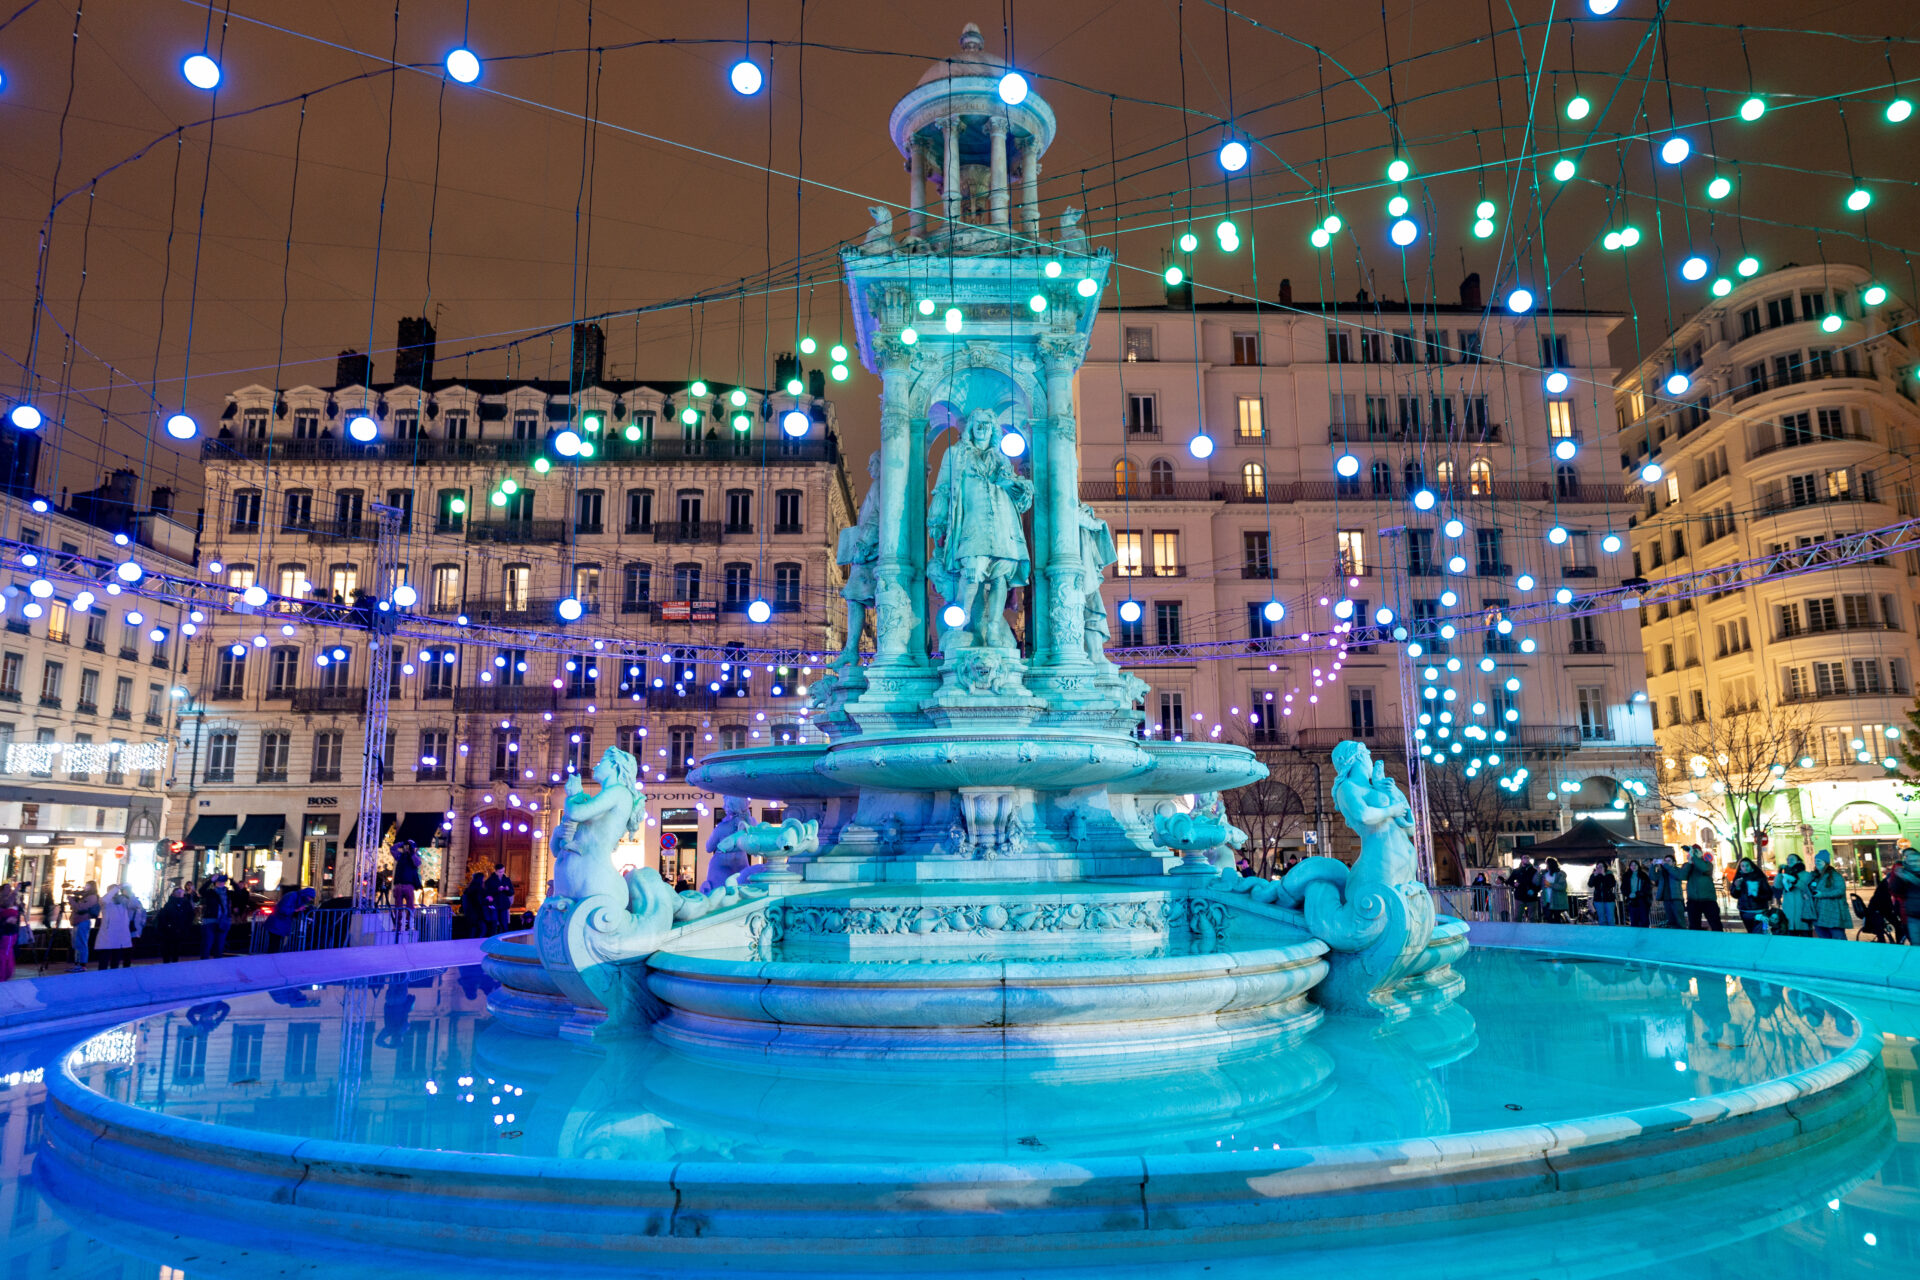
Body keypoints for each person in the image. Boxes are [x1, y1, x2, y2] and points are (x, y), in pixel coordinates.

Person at [95, 884, 146, 969]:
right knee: (104, 958)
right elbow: (104, 900)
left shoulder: (123, 901)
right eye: (113, 890)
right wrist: (116, 888)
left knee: (116, 959)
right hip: (108, 934)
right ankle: (102, 974)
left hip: (120, 934)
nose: (115, 892)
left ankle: (114, 974)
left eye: (117, 890)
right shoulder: (105, 901)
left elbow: (135, 904)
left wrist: (129, 893)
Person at [1809, 850, 1851, 940]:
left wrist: (1823, 894)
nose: (1817, 863)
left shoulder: (1835, 875)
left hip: (1833, 913)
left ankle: (1843, 953)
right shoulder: (1815, 876)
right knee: (1824, 939)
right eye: (1816, 861)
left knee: (1838, 938)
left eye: (1819, 861)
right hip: (1819, 913)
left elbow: (1840, 890)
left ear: (1826, 862)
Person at [267, 880, 316, 953]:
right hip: (277, 922)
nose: (310, 899)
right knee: (274, 944)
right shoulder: (292, 896)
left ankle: (273, 959)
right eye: (310, 897)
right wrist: (297, 909)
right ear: (306, 894)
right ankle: (271, 960)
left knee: (276, 944)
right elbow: (283, 909)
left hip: (281, 923)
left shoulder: (298, 898)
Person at [1685, 846, 1724, 931]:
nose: (1694, 853)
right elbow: (1682, 876)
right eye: (1693, 852)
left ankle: (1720, 941)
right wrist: (1689, 862)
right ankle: (1697, 942)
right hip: (1693, 901)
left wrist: (1695, 857)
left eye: (1696, 851)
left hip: (1708, 900)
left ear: (1701, 853)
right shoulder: (1689, 865)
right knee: (1694, 926)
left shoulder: (1707, 864)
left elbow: (1704, 868)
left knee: (1715, 924)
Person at [1776, 853, 1815, 937]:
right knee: (1791, 938)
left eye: (1792, 859)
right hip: (1789, 909)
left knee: (1805, 937)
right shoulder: (1786, 874)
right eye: (1788, 859)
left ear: (1799, 861)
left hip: (1802, 909)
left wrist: (1794, 880)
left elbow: (1804, 887)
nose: (1789, 861)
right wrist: (1779, 873)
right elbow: (1777, 885)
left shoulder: (1806, 874)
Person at [155, 881, 196, 962]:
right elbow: (163, 917)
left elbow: (190, 915)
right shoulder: (170, 904)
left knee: (176, 949)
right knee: (168, 948)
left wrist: (186, 925)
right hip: (170, 930)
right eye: (178, 892)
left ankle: (173, 962)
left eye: (181, 892)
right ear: (174, 894)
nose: (180, 894)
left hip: (180, 929)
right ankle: (168, 962)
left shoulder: (185, 903)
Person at [1731, 856, 1773, 933]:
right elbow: (1734, 895)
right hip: (1745, 911)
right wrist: (1737, 887)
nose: (1745, 868)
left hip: (1760, 910)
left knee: (1762, 931)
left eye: (1747, 865)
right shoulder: (1739, 878)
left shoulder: (1759, 877)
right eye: (1742, 866)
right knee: (1751, 932)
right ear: (1740, 868)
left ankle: (1763, 945)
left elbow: (1769, 894)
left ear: (1751, 866)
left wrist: (1757, 896)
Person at [389, 840, 422, 930]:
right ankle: (398, 925)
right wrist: (401, 843)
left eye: (410, 846)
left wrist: (411, 852)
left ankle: (408, 924)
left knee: (410, 906)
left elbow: (417, 863)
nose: (408, 848)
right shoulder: (400, 856)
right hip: (400, 885)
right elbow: (392, 849)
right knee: (398, 906)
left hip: (408, 885)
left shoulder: (414, 857)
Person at [199, 874, 233, 959]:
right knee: (207, 944)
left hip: (223, 921)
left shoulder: (228, 893)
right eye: (219, 881)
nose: (221, 883)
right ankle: (203, 965)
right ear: (215, 882)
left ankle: (217, 965)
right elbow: (201, 891)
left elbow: (239, 893)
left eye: (223, 881)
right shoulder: (210, 892)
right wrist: (210, 880)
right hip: (210, 920)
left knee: (219, 945)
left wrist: (231, 880)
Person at [68, 881, 100, 971]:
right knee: (76, 944)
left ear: (92, 887)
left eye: (87, 886)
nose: (85, 887)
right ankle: (76, 964)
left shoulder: (92, 897)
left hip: (83, 921)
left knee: (81, 943)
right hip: (77, 922)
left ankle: (82, 965)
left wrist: (71, 900)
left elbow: (80, 908)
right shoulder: (85, 896)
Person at [1891, 851, 1920, 946]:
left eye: (1916, 860)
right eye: (1910, 860)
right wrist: (1899, 878)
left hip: (1912, 914)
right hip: (1913, 915)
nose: (1914, 863)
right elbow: (1896, 891)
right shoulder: (1904, 874)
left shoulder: (1907, 875)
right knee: (1916, 945)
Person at [1653, 852, 1687, 928]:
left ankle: (1683, 935)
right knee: (1671, 921)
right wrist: (1653, 866)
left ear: (1674, 863)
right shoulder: (1662, 872)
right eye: (1665, 861)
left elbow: (1678, 875)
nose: (1666, 863)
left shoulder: (1677, 870)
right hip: (1666, 899)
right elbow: (1653, 877)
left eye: (1668, 861)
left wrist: (1666, 865)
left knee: (1680, 920)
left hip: (1676, 898)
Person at [1621, 859, 1653, 928]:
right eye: (1632, 865)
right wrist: (1628, 894)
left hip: (1642, 900)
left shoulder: (1643, 875)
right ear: (1629, 866)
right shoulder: (1626, 876)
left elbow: (1648, 888)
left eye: (1635, 865)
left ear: (1638, 866)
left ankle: (1645, 936)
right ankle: (1635, 936)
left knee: (1644, 920)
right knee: (1634, 920)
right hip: (1632, 900)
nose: (1633, 866)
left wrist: (1638, 894)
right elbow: (1623, 888)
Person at [1588, 860, 1620, 926]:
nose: (1599, 868)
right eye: (1598, 866)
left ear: (1605, 867)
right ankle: (1603, 933)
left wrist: (1604, 875)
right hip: (1598, 899)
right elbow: (1590, 884)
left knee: (1610, 918)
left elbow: (1611, 884)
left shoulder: (1609, 874)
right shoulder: (1594, 874)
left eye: (1601, 866)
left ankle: (1612, 932)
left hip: (1609, 899)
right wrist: (1594, 876)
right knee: (1601, 919)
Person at [459, 872, 489, 939]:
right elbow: (478, 902)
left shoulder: (469, 889)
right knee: (482, 929)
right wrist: (486, 900)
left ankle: (470, 945)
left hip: (470, 913)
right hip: (476, 914)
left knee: (472, 931)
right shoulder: (479, 890)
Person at [0, 884, 20, 981]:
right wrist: (16, 891)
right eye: (7, 888)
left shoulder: (12, 900)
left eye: (10, 888)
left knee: (8, 959)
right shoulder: (2, 899)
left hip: (10, 931)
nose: (9, 890)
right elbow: (6, 903)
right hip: (3, 930)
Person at [1542, 858, 1570, 923]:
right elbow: (1536, 882)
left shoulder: (1560, 874)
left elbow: (1563, 887)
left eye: (1547, 864)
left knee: (1557, 920)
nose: (1546, 866)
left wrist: (1550, 885)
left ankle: (1557, 932)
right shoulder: (1544, 874)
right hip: (1547, 901)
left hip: (1557, 901)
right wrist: (1538, 872)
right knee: (1548, 918)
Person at [490, 869, 516, 934]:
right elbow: (488, 892)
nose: (501, 873)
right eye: (500, 872)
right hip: (494, 905)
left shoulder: (506, 880)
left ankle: (503, 938)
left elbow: (511, 893)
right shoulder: (490, 881)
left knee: (504, 924)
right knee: (494, 924)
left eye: (502, 872)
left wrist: (507, 889)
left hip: (504, 906)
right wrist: (497, 890)